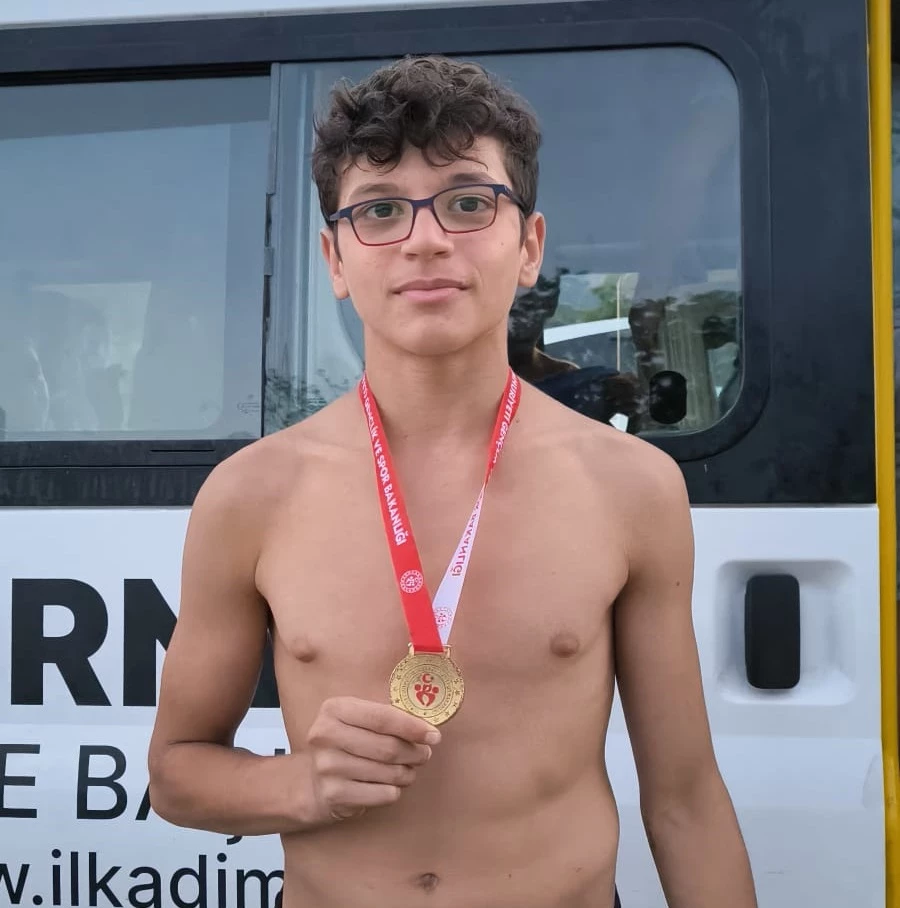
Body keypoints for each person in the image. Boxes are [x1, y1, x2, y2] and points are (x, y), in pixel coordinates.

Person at [148, 55, 757, 908]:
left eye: (469, 202)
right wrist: (301, 783)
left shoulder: (630, 487)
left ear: (529, 246)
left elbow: (685, 800)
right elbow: (176, 773)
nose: (425, 239)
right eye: (380, 210)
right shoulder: (252, 495)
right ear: (334, 259)